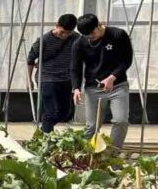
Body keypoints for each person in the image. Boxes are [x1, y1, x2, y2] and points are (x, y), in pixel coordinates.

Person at [71, 13, 134, 148]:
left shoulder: (118, 35)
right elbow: (75, 68)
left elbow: (126, 60)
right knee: (92, 126)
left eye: (92, 33)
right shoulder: (79, 43)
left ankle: (112, 155)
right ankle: (87, 157)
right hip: (93, 88)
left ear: (99, 25)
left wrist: (112, 77)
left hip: (118, 86)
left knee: (121, 121)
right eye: (86, 35)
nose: (90, 37)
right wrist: (76, 88)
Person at [27, 14, 79, 133]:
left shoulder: (76, 38)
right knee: (51, 111)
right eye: (62, 32)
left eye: (68, 33)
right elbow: (30, 59)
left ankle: (43, 130)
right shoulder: (44, 40)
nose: (65, 35)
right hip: (47, 78)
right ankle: (46, 138)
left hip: (66, 78)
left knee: (65, 113)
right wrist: (28, 79)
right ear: (56, 25)